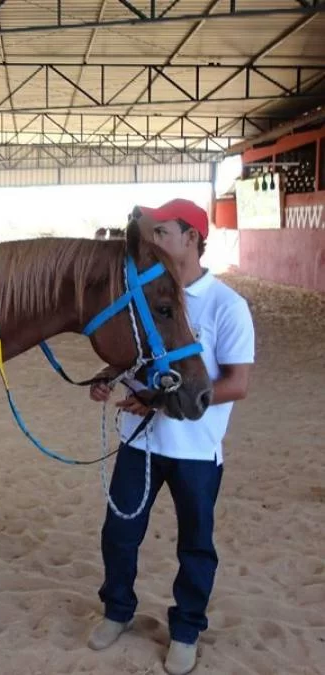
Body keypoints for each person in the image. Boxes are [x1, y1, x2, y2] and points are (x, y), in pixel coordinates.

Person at [85, 199, 255, 675]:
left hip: (196, 451)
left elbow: (238, 383)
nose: (152, 239)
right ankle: (117, 610)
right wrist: (109, 375)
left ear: (193, 238)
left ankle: (185, 630)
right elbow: (138, 356)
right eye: (151, 232)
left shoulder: (227, 305)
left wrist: (158, 401)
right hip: (139, 442)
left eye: (162, 232)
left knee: (195, 545)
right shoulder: (146, 294)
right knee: (119, 534)